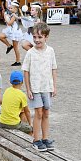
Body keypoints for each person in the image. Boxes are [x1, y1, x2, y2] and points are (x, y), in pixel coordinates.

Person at [22, 23, 57, 152]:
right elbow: (26, 71)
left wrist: (54, 86)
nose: (36, 40)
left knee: (46, 112)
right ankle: (36, 140)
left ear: (46, 37)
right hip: (35, 88)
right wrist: (28, 89)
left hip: (47, 87)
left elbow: (54, 68)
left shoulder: (50, 51)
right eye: (34, 37)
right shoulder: (30, 53)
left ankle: (45, 138)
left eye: (40, 37)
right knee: (38, 113)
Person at [0, 1, 23, 66]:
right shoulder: (11, 14)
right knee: (0, 36)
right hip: (10, 30)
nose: (10, 9)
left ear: (16, 9)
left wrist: (5, 16)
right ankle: (9, 46)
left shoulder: (15, 15)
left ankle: (18, 61)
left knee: (15, 47)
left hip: (15, 32)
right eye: (10, 8)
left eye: (11, 8)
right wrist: (6, 16)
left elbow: (9, 23)